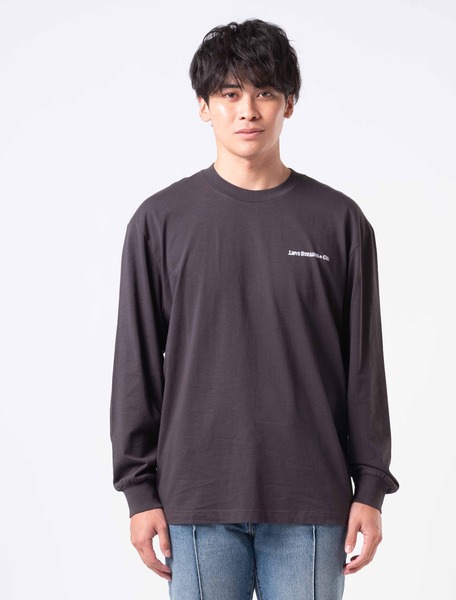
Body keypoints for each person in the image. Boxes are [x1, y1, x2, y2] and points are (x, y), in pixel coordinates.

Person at [110, 18, 399, 599]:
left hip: (311, 501)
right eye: (229, 93)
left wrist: (369, 487)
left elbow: (364, 367)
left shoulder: (339, 222)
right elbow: (136, 366)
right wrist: (139, 492)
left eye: (265, 92)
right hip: (196, 501)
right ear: (204, 106)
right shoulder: (160, 222)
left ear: (289, 103)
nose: (247, 111)